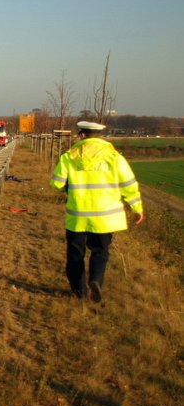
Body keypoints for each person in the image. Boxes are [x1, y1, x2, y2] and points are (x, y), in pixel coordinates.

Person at [50, 121, 145, 302]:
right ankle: (96, 280)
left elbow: (57, 182)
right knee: (100, 251)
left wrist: (68, 189)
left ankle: (79, 291)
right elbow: (129, 185)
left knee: (75, 254)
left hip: (77, 217)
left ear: (82, 135)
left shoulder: (69, 157)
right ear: (99, 136)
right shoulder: (114, 157)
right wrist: (137, 208)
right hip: (105, 218)